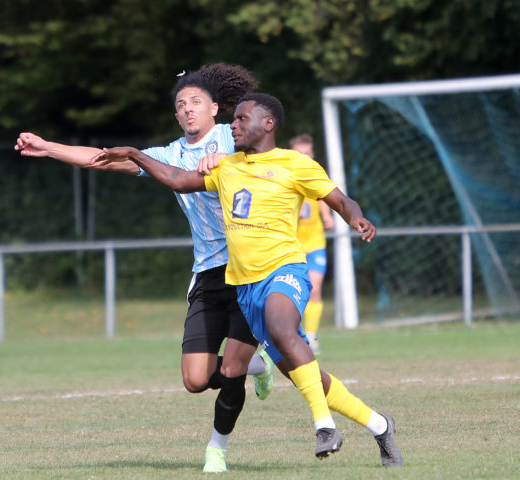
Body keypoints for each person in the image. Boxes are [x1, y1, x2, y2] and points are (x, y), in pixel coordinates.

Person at [90, 92, 403, 467]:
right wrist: (137, 155)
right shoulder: (227, 167)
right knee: (305, 374)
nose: (233, 126)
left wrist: (356, 218)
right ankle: (380, 424)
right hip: (246, 286)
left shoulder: (294, 164)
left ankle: (324, 426)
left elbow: (340, 200)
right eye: (234, 119)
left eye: (241, 119)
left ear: (268, 124)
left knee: (281, 325)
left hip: (285, 270)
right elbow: (177, 179)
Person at [15, 64, 275, 473]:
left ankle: (218, 448)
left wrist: (227, 159)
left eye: (195, 102)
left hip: (252, 266)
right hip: (209, 273)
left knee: (231, 367)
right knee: (194, 379)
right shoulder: (170, 155)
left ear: (214, 108)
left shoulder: (234, 135)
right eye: (180, 105)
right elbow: (101, 160)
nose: (188, 109)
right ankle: (258, 365)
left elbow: (267, 155)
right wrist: (49, 147)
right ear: (176, 116)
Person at [290, 134, 334, 354]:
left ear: (312, 155)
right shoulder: (286, 178)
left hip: (315, 244)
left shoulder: (314, 176)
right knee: (293, 293)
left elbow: (323, 195)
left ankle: (311, 335)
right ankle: (293, 335)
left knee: (314, 289)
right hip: (291, 247)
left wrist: (327, 216)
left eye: (307, 153)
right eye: (299, 153)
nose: (304, 157)